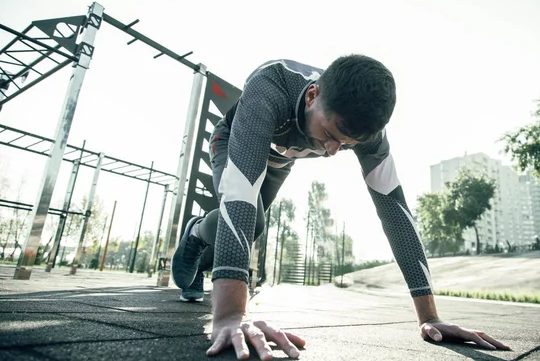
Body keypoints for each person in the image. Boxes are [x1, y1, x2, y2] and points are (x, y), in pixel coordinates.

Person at [171, 55, 510, 360]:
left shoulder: (368, 132)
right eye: (330, 134)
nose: (332, 151)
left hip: (282, 159)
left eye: (346, 146)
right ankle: (196, 231)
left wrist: (430, 316)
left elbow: (395, 213)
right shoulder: (269, 87)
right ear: (311, 96)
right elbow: (241, 192)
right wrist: (230, 317)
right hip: (233, 139)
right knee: (250, 218)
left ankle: (203, 255)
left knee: (249, 227)